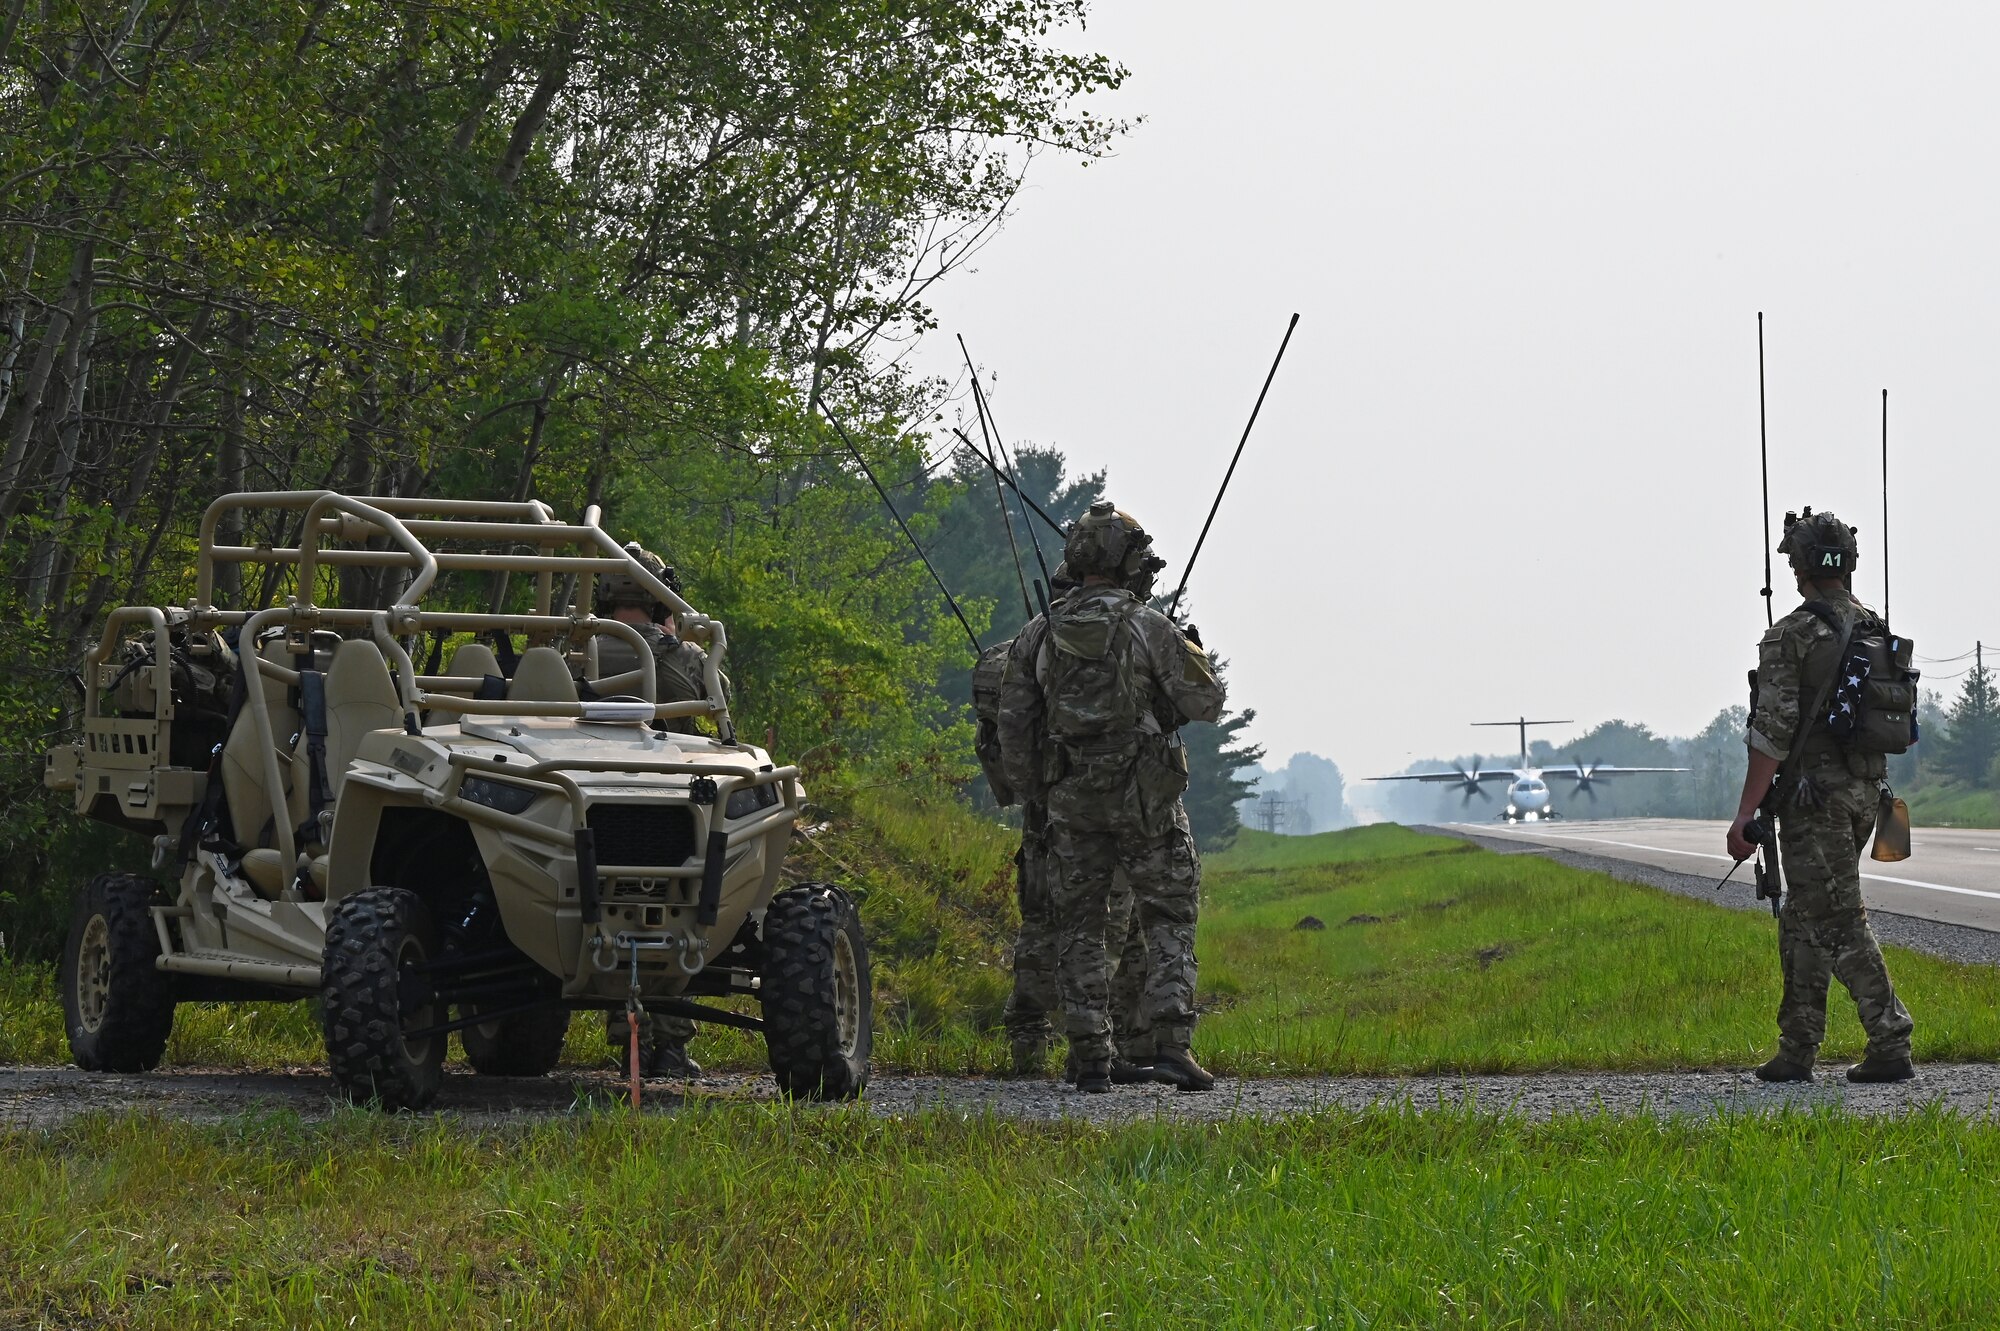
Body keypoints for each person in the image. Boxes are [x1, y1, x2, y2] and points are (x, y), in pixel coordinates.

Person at [997, 501, 1226, 1093]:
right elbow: (1208, 703)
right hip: (1146, 801)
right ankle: (1172, 1043)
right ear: (1128, 562)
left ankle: (1089, 1053)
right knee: (1169, 912)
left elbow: (1014, 728)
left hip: (1071, 804)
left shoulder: (1037, 634)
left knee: (1080, 923)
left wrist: (1039, 794)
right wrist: (1188, 658)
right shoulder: (1147, 626)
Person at [1726, 507, 1915, 1084]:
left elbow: (1773, 732)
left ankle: (1891, 1038)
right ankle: (1797, 1047)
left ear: (1799, 566)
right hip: (1865, 793)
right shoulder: (1874, 627)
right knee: (1804, 919)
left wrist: (1744, 815)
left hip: (1814, 800)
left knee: (1836, 919)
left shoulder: (1791, 635)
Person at [979, 565, 1147, 1083]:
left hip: (1042, 812)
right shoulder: (1114, 649)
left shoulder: (1007, 658)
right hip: (1090, 812)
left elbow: (998, 738)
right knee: (1106, 927)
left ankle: (1034, 1049)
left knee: (1045, 925)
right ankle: (1102, 1049)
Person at [594, 542, 713, 1078]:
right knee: (675, 918)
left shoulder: (578, 651)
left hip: (592, 809)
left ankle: (633, 1039)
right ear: (661, 598)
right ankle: (662, 1043)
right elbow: (716, 702)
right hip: (669, 811)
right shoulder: (683, 659)